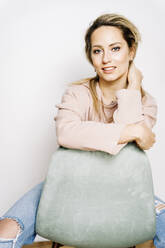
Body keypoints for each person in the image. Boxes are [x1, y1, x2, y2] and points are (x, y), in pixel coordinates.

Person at [0, 13, 164, 248]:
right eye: (97, 51)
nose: (106, 59)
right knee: (4, 236)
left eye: (115, 48)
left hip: (124, 191)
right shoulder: (78, 93)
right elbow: (66, 133)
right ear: (91, 56)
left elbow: (128, 150)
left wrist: (134, 88)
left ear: (132, 51)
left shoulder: (146, 102)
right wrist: (134, 131)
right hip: (67, 184)